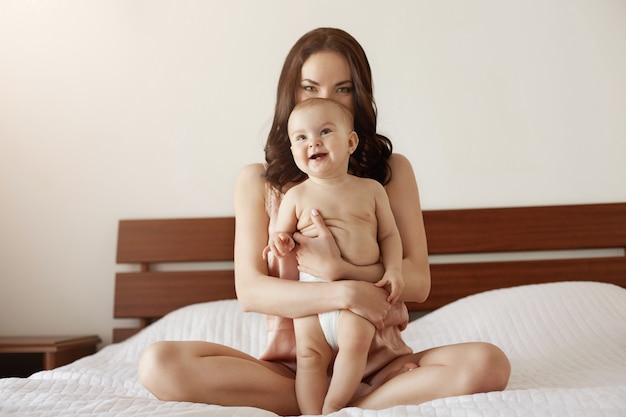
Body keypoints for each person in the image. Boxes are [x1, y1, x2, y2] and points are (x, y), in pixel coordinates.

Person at [138, 27, 511, 416]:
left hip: (380, 362)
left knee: (488, 364)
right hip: (292, 367)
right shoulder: (257, 182)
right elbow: (251, 292)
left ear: (360, 97)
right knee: (159, 365)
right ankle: (355, 404)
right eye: (311, 88)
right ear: (292, 95)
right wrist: (345, 292)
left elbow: (417, 281)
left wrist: (340, 269)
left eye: (343, 89)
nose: (326, 100)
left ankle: (330, 405)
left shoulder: (388, 175)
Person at [264, 97, 404, 414]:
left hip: (360, 291)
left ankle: (334, 407)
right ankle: (313, 413)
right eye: (301, 137)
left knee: (355, 346)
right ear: (293, 150)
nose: (313, 141)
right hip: (313, 294)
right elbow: (280, 235)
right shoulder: (295, 195)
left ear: (350, 141)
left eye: (325, 131)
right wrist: (280, 242)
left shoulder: (371, 190)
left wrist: (393, 270)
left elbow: (390, 236)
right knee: (310, 357)